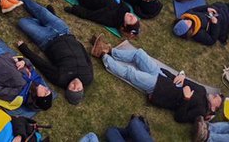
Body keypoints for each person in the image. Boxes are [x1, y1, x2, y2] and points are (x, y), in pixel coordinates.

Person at [92, 37, 222, 125]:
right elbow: (184, 81)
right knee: (139, 54)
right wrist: (180, 75)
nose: (216, 95)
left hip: (160, 90)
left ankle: (102, 55)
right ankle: (110, 51)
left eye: (218, 98)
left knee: (131, 74)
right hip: (162, 76)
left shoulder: (200, 110)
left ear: (214, 108)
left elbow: (179, 117)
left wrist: (186, 99)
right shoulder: (202, 90)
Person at [12, 0, 92, 104]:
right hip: (64, 31)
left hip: (47, 40)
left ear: (67, 89)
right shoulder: (88, 77)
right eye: (78, 89)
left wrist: (23, 48)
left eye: (72, 89)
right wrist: (75, 42)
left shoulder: (60, 78)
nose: (75, 85)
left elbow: (41, 64)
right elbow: (87, 58)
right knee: (40, 11)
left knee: (22, 22)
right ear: (83, 88)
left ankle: (47, 19)